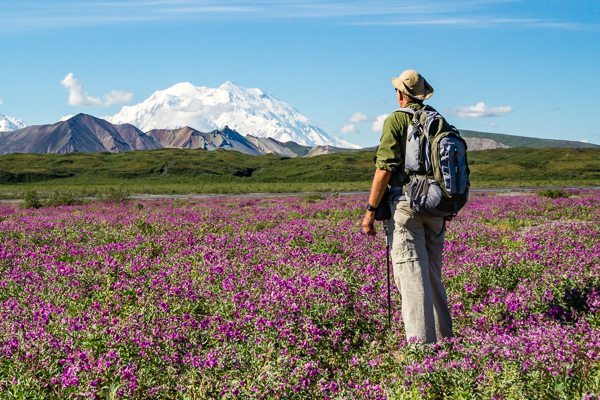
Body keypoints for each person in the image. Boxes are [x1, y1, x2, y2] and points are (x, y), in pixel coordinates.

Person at [361, 69, 453, 344]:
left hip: (406, 206)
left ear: (401, 94)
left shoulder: (397, 120)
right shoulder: (437, 120)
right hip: (436, 206)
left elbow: (385, 168)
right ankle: (446, 342)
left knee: (411, 275)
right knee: (433, 275)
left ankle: (422, 352)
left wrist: (369, 211)